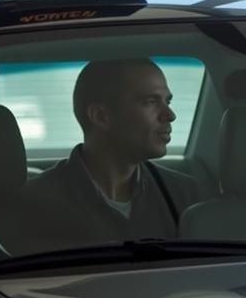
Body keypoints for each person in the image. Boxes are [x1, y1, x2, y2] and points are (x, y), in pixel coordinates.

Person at [24, 58, 202, 247]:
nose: (170, 115)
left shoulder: (186, 195)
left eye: (167, 101)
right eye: (150, 102)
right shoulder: (35, 204)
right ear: (101, 116)